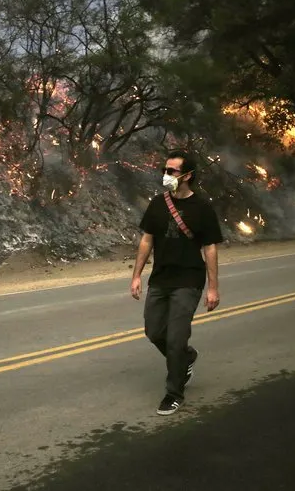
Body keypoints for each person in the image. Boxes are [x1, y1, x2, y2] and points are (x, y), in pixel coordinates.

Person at [130, 149, 224, 416]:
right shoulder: (158, 204)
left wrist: (213, 288)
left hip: (188, 279)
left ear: (187, 175)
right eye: (165, 170)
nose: (166, 175)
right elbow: (147, 239)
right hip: (160, 278)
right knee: (154, 332)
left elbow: (210, 248)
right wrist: (136, 275)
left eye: (171, 171)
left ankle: (174, 392)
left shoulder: (203, 208)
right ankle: (187, 357)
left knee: (175, 338)